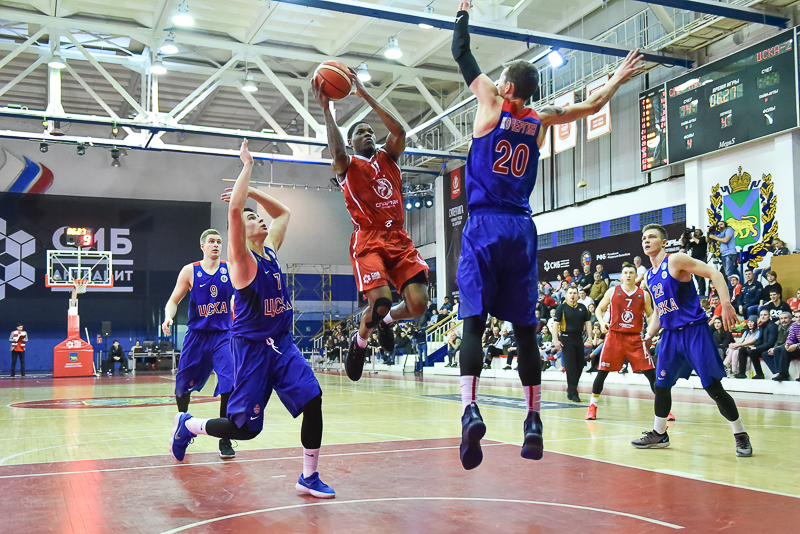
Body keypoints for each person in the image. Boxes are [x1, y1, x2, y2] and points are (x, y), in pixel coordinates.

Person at [450, 0, 641, 470]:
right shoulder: (540, 119)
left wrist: (462, 15)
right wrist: (617, 78)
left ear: (507, 87)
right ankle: (533, 420)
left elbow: (461, 52)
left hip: (484, 223)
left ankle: (470, 409)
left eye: (500, 78)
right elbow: (591, 106)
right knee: (525, 330)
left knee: (472, 322)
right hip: (521, 228)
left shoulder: (490, 103)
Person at [169, 140, 334, 498]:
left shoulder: (270, 251)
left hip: (282, 345)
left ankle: (309, 476)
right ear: (240, 234)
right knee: (245, 430)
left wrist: (255, 191)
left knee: (313, 400)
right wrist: (247, 166)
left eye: (257, 215)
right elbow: (234, 212)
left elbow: (284, 214)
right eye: (250, 217)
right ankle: (190, 425)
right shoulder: (242, 263)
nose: (258, 217)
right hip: (251, 350)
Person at [314, 66, 429, 384]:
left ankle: (389, 320)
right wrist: (327, 111)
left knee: (419, 305)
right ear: (352, 142)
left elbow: (399, 132)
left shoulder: (388, 158)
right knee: (379, 302)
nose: (367, 134)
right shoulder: (347, 165)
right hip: (369, 239)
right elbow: (337, 151)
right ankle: (360, 341)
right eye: (360, 132)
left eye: (370, 131)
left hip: (399, 238)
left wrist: (366, 95)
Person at [632, 224, 752, 457]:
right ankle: (659, 433)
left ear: (663, 242)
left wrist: (726, 304)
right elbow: (659, 311)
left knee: (712, 387)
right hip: (670, 335)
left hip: (694, 331)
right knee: (661, 385)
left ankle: (740, 433)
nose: (646, 240)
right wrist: (649, 336)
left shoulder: (676, 260)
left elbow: (715, 274)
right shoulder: (649, 275)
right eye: (644, 237)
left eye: (652, 237)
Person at [162, 228, 236, 459]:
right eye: (211, 241)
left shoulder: (230, 269)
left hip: (223, 335)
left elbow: (240, 295)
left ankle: (225, 438)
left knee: (229, 383)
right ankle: (182, 425)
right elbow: (173, 300)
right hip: (197, 335)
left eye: (219, 242)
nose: (216, 245)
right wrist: (168, 317)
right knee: (182, 385)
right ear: (202, 246)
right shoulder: (190, 271)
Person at [586, 263, 674, 421]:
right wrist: (602, 322)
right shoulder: (612, 291)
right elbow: (599, 309)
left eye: (631, 273)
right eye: (625, 272)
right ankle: (592, 406)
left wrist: (650, 332)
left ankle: (664, 409)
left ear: (636, 276)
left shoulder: (644, 294)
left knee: (651, 374)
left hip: (635, 338)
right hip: (615, 336)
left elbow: (650, 315)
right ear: (621, 276)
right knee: (602, 372)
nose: (628, 275)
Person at [553, 286, 592, 402]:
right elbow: (555, 324)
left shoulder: (582, 307)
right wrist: (556, 340)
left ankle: (571, 388)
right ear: (566, 295)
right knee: (570, 366)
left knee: (580, 365)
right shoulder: (562, 307)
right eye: (570, 293)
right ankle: (573, 391)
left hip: (578, 338)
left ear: (578, 295)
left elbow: (588, 322)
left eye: (574, 293)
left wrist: (590, 336)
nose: (572, 295)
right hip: (566, 338)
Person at [735, 309, 778, 379]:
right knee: (742, 349)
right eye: (761, 315)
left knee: (752, 351)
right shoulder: (762, 326)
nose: (763, 317)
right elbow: (760, 340)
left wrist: (756, 348)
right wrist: (753, 345)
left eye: (765, 315)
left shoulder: (772, 326)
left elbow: (771, 342)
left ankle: (759, 373)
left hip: (770, 347)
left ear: (769, 316)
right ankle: (742, 373)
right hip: (763, 346)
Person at [707, 220, 737, 289]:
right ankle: (728, 288)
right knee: (725, 273)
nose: (719, 226)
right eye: (718, 225)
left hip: (730, 254)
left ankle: (730, 290)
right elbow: (708, 240)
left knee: (728, 273)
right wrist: (708, 233)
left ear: (725, 225)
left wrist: (714, 237)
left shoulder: (729, 230)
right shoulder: (720, 234)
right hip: (723, 255)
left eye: (721, 224)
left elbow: (726, 240)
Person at [772, 310, 800, 382]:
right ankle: (783, 374)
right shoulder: (794, 325)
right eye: (796, 317)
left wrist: (796, 345)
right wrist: (788, 344)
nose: (798, 319)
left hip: (798, 346)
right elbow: (790, 337)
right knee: (784, 349)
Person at [685, 228, 708, 296]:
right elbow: (686, 246)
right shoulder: (693, 242)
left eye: (697, 232)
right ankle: (699, 291)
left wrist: (692, 237)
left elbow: (699, 242)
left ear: (700, 233)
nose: (695, 233)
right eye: (695, 232)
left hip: (701, 259)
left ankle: (702, 292)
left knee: (700, 277)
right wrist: (684, 237)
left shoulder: (703, 239)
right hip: (694, 260)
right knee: (696, 277)